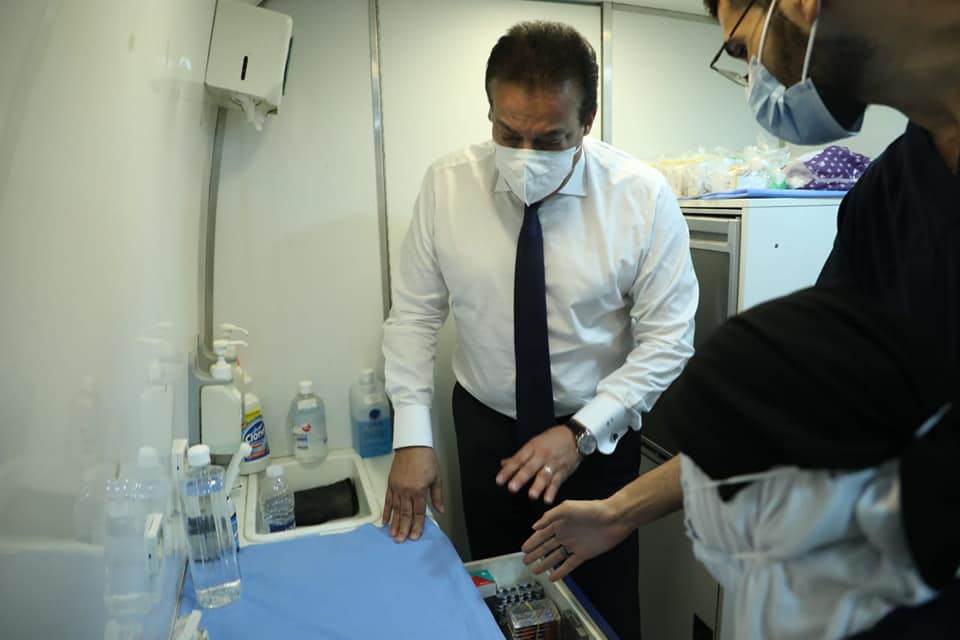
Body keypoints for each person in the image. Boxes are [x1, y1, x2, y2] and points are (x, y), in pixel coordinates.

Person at [522, 0, 960, 635]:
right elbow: (803, 409)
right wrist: (620, 511)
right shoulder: (891, 197)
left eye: (741, 45)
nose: (755, 74)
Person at [380, 21, 699, 637]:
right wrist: (412, 436)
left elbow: (668, 339)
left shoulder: (641, 198)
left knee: (601, 608)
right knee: (501, 600)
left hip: (598, 435)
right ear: (490, 112)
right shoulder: (446, 186)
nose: (525, 154)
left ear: (588, 121)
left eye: (550, 139)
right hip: (488, 432)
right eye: (508, 133)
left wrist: (582, 432)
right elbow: (415, 314)